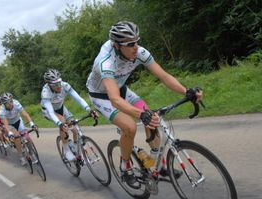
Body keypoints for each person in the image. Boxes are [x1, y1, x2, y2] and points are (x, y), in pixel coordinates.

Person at [86, 21, 203, 188]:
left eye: (137, 41)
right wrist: (140, 114)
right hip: (102, 95)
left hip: (120, 88)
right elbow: (114, 99)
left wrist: (186, 91)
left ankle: (157, 165)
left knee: (152, 118)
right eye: (131, 44)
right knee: (130, 127)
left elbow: (163, 76)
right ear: (117, 46)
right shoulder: (105, 62)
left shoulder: (139, 52)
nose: (136, 47)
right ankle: (125, 167)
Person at [41, 69, 98, 161]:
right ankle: (67, 151)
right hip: (48, 111)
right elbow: (51, 112)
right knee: (63, 122)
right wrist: (59, 124)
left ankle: (76, 148)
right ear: (49, 85)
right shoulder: (45, 93)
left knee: (74, 127)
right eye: (55, 85)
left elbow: (78, 99)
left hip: (61, 107)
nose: (58, 86)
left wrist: (89, 110)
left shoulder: (65, 85)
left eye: (59, 82)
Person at [0, 92, 37, 165]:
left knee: (27, 137)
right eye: (7, 103)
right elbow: (5, 123)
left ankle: (32, 154)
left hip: (18, 121)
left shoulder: (16, 103)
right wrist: (9, 132)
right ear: (3, 104)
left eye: (10, 101)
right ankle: (21, 156)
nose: (10, 104)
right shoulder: (2, 111)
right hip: (10, 125)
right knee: (17, 138)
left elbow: (25, 114)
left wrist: (32, 123)